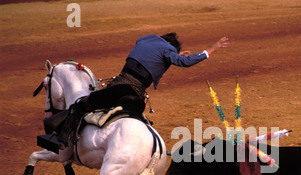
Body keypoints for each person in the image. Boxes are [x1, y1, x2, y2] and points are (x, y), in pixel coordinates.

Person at [57, 33, 229, 148]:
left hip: (118, 88)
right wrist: (212, 48)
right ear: (171, 46)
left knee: (82, 104)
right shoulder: (167, 49)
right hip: (135, 95)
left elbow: (149, 53)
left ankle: (63, 140)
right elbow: (181, 61)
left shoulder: (146, 39)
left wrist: (172, 55)